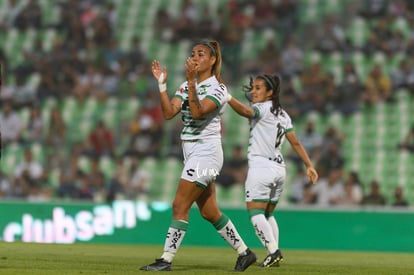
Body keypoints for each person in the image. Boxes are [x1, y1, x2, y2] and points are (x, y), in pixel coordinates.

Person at [140, 40, 257, 272]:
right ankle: (245, 252)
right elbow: (168, 113)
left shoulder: (219, 89)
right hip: (192, 152)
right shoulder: (185, 85)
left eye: (200, 54)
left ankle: (166, 259)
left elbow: (197, 111)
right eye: (193, 53)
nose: (194, 57)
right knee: (209, 211)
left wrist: (192, 82)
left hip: (207, 153)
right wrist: (162, 86)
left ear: (212, 60)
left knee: (179, 204)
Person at [227, 73, 318, 267]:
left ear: (270, 92)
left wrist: (227, 97)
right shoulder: (283, 114)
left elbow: (245, 112)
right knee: (268, 214)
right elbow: (295, 141)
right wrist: (309, 165)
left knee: (256, 214)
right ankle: (274, 255)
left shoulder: (261, 108)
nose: (253, 91)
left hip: (261, 167)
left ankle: (273, 251)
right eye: (254, 87)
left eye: (258, 88)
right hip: (279, 169)